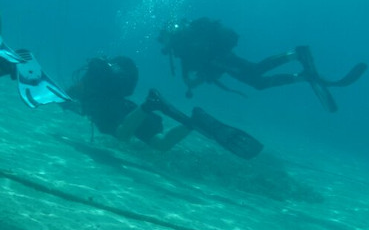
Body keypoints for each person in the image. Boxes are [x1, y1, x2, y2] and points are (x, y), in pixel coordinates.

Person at [64, 55, 263, 158]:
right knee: (161, 144)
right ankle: (192, 122)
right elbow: (78, 105)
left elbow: (76, 96)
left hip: (114, 111)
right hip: (128, 109)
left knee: (123, 136)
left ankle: (149, 105)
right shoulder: (90, 94)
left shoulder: (91, 93)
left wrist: (63, 99)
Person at [158, 17, 367, 113]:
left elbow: (200, 64)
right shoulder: (183, 47)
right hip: (222, 62)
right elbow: (198, 70)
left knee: (255, 70)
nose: (164, 44)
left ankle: (296, 54)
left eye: (163, 39)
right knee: (258, 83)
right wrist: (194, 81)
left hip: (222, 60)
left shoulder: (184, 45)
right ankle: (302, 76)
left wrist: (194, 81)